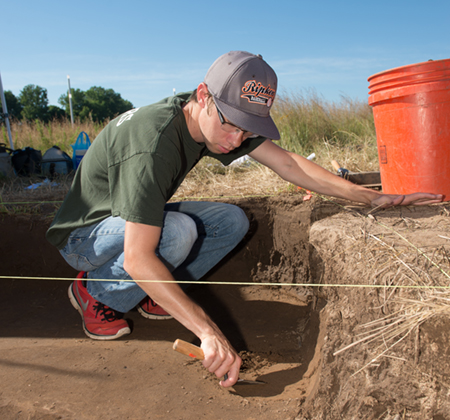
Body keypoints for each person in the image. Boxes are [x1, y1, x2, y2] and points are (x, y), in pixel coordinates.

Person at [46, 51, 443, 387]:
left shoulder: (205, 116)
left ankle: (152, 295)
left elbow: (288, 163)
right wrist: (208, 332)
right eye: (231, 124)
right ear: (203, 96)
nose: (236, 141)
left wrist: (375, 198)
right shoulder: (154, 144)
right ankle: (97, 292)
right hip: (85, 236)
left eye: (246, 129)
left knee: (230, 221)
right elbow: (138, 256)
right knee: (179, 232)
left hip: (125, 220)